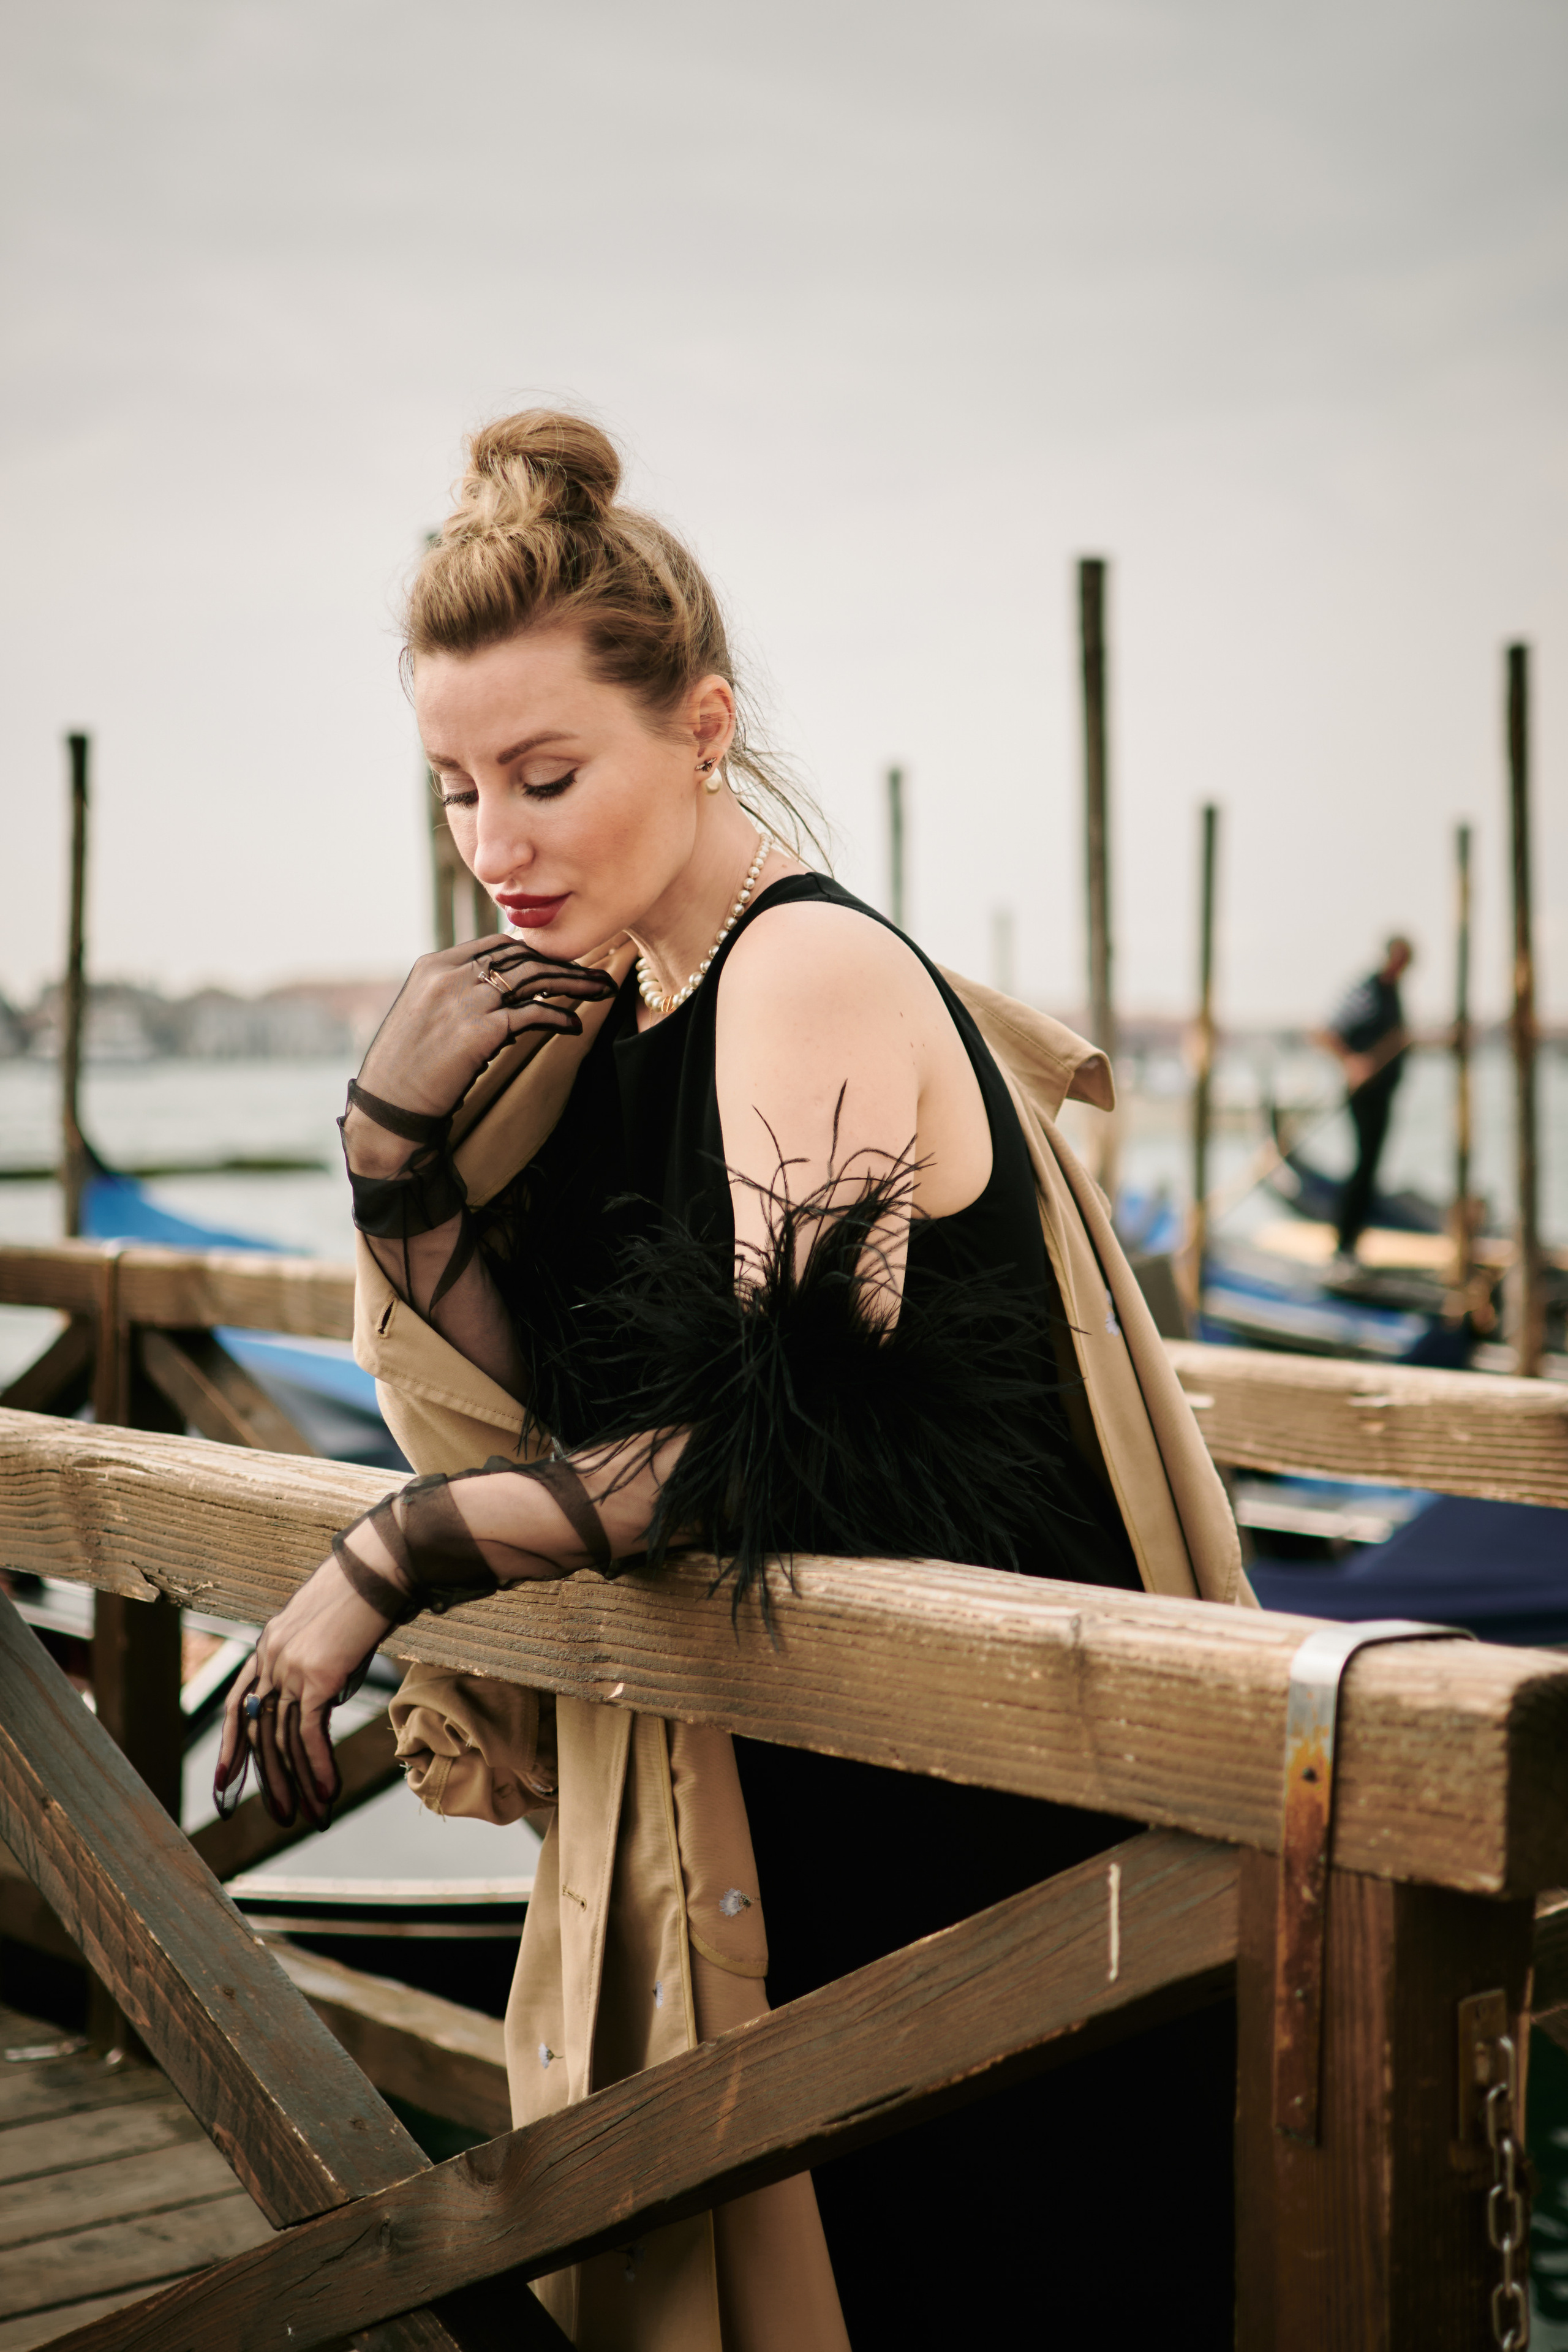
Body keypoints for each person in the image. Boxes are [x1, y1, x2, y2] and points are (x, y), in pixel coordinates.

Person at [216, 411, 1250, 2349]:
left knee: (1008, 2266)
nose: (491, 848)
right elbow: (579, 1413)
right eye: (452, 790)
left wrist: (391, 1552)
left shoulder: (802, 970)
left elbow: (796, 1438)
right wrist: (397, 1170)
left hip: (975, 1807)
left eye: (541, 776)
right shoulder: (630, 998)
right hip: (807, 1780)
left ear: (700, 726)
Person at [1315, 936, 1414, 1262]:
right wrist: (1352, 1062)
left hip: (1383, 1093)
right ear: (1391, 958)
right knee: (1363, 1167)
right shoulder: (1367, 993)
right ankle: (1344, 1242)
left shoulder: (1392, 993)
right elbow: (1327, 1032)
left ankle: (1353, 1240)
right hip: (1365, 1095)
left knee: (1371, 1168)